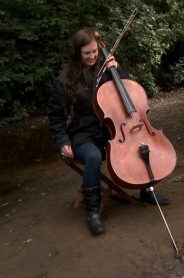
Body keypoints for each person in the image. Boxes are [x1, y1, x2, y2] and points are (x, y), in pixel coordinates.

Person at [48, 28, 170, 235]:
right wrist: (62, 141)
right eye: (87, 53)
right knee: (94, 157)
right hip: (83, 133)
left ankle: (147, 191)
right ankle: (93, 210)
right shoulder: (64, 81)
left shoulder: (106, 70)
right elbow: (55, 117)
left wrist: (118, 71)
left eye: (95, 51)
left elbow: (130, 93)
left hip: (112, 130)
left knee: (142, 144)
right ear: (77, 52)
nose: (92, 56)